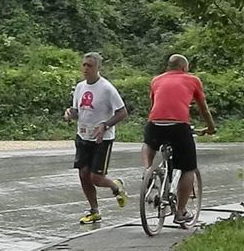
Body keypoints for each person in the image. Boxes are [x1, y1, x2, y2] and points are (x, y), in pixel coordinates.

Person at [141, 54, 216, 224]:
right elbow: (203, 108)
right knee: (188, 168)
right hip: (178, 126)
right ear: (184, 68)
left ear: (168, 67)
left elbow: (155, 104)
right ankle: (180, 212)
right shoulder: (192, 80)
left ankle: (147, 170)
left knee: (148, 143)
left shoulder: (156, 80)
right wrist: (211, 127)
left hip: (155, 124)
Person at [64, 52, 129, 224]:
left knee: (96, 178)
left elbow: (122, 112)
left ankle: (115, 186)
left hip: (102, 139)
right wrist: (70, 113)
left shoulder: (107, 88)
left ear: (98, 68)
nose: (85, 69)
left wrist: (105, 125)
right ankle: (94, 210)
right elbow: (78, 111)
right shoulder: (79, 87)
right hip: (83, 136)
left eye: (90, 66)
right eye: (84, 65)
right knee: (83, 174)